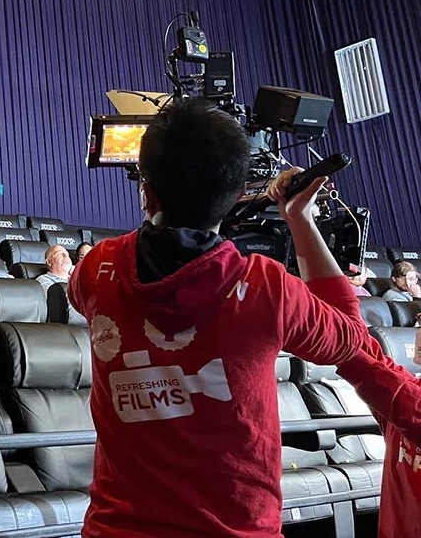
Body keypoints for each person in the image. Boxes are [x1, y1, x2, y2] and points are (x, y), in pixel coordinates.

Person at [66, 98, 371, 538]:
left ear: (146, 191)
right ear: (234, 195)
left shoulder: (97, 269)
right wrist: (300, 219)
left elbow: (103, 287)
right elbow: (350, 338)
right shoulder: (268, 288)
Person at [331, 327, 421, 538]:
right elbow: (374, 360)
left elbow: (403, 401)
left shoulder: (404, 399)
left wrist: (334, 338)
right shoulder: (410, 388)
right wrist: (339, 320)